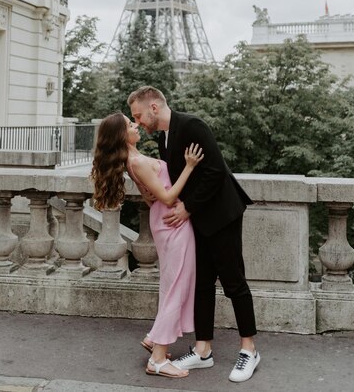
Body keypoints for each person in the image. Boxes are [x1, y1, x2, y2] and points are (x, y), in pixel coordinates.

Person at [127, 86, 260, 384]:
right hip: (197, 220)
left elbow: (214, 171)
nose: (139, 122)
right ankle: (203, 350)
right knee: (201, 284)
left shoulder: (192, 125)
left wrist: (187, 208)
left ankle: (249, 350)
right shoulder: (164, 137)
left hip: (222, 215)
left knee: (234, 281)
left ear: (154, 108)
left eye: (139, 115)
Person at [90, 111, 204, 379]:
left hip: (164, 221)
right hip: (172, 221)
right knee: (176, 284)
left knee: (171, 283)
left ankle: (155, 337)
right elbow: (165, 197)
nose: (137, 125)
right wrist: (189, 166)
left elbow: (150, 198)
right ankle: (158, 360)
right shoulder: (137, 161)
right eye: (131, 124)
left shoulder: (133, 160)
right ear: (122, 135)